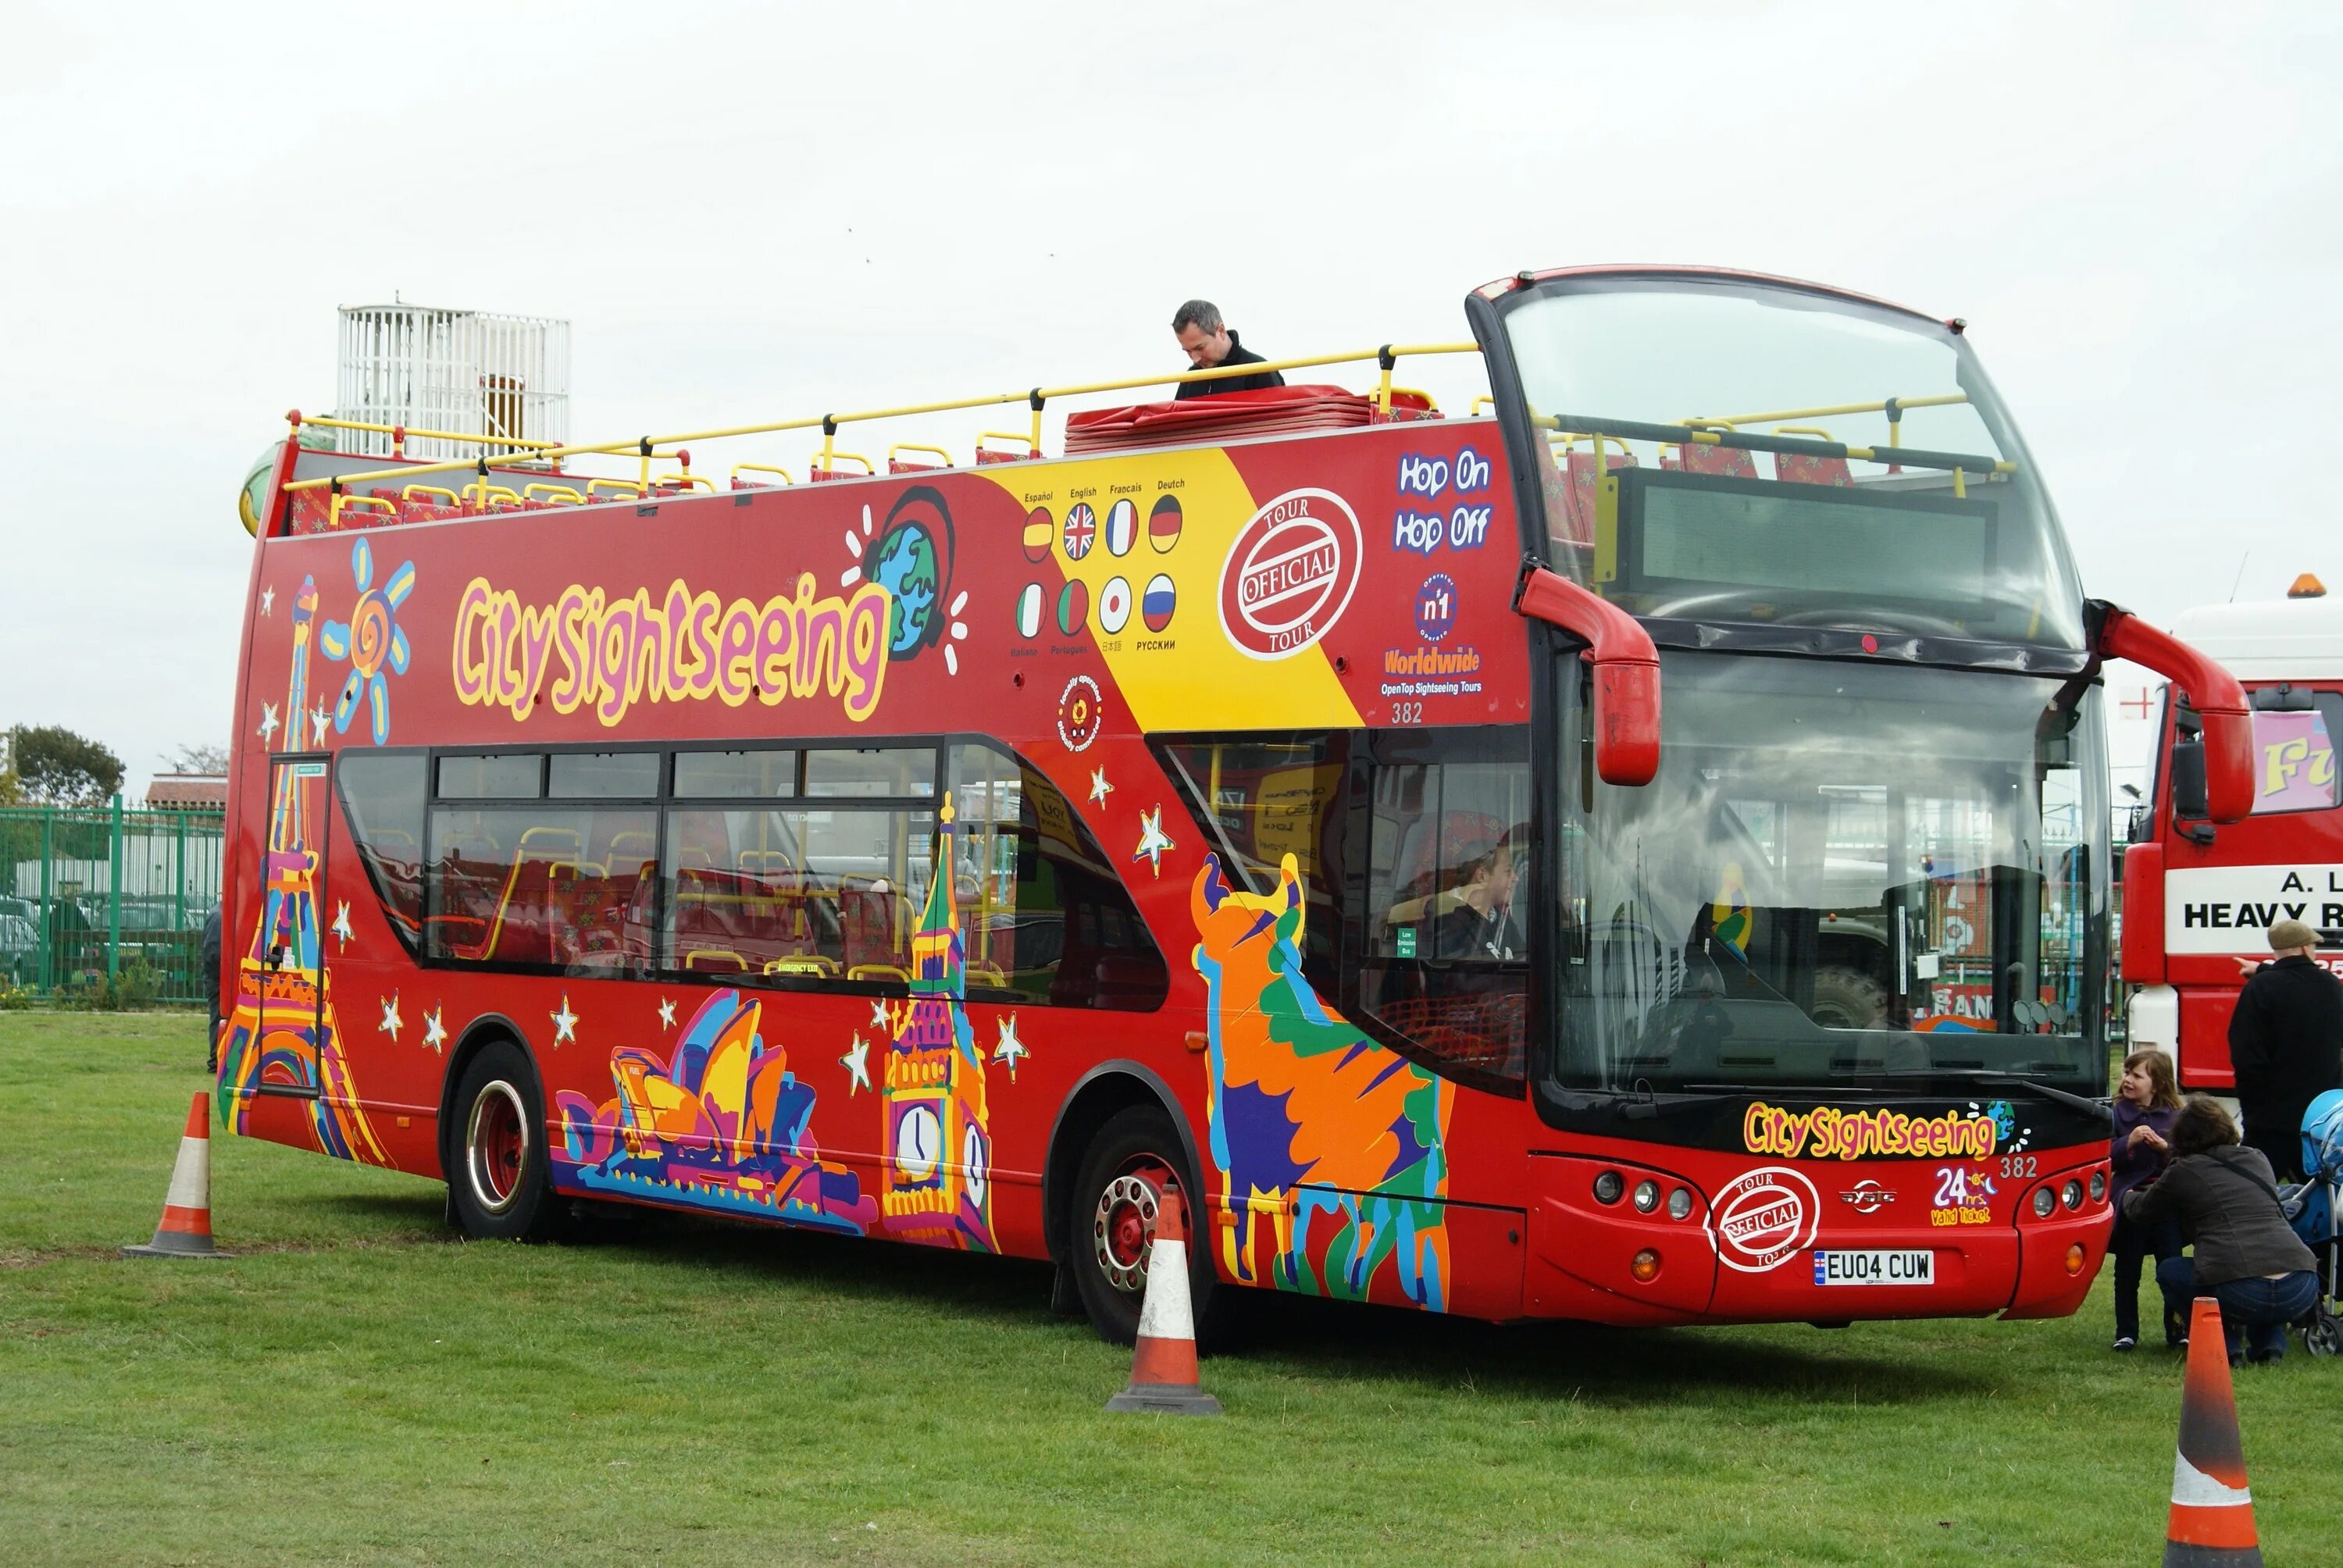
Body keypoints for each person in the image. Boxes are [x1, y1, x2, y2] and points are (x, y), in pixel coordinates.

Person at [2120, 1095, 2321, 1365]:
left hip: (2244, 1289)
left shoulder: (2184, 1170)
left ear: (2182, 1135)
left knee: (2171, 1271)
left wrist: (2124, 1192)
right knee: (2261, 1274)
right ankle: (2270, 1347)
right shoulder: (2257, 1158)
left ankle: (2226, 1347)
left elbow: (2142, 1210)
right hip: (2301, 1284)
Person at [2228, 917, 2343, 1181]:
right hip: (2319, 1119)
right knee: (2317, 1192)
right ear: (2305, 948)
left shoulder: (2260, 988)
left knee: (2253, 1190)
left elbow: (2247, 1055)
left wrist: (2252, 1108)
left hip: (2271, 1121)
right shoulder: (2330, 985)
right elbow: (2299, 982)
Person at [2106, 1049, 2188, 1350]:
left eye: (2137, 1075)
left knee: (2173, 1267)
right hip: (2131, 1202)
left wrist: (2163, 1146)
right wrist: (2129, 1141)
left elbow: (2185, 1160)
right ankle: (2126, 1332)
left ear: (2158, 1083)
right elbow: (2105, 1158)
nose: (2127, 1080)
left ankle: (2177, 1329)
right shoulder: (2116, 1115)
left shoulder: (2176, 1118)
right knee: (2128, 1270)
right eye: (2126, 1073)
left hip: (2165, 1203)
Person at [1170, 301, 1286, 401]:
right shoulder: (1191, 379)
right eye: (1188, 351)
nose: (1195, 359)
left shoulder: (1259, 372)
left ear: (1221, 330)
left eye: (1200, 348)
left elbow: (1282, 422)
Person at [1433, 845, 1522, 963]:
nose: (1515, 878)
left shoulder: (1504, 922)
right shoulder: (1444, 919)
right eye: (1508, 871)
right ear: (1482, 876)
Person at [200, 900, 223, 1074]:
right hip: (218, 977)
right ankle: (215, 1060)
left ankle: (218, 1058)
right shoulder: (219, 916)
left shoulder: (219, 914)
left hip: (217, 975)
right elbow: (214, 952)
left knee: (219, 1016)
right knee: (218, 1016)